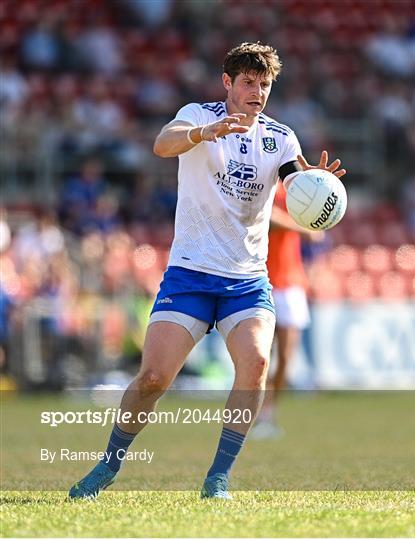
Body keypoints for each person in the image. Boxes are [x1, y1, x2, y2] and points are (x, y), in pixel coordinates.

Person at [69, 42, 345, 500]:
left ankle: (218, 477)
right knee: (154, 379)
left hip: (247, 280)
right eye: (249, 83)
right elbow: (163, 145)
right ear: (228, 83)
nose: (257, 93)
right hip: (191, 274)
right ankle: (108, 464)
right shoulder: (197, 114)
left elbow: (296, 179)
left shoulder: (280, 137)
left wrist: (316, 185)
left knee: (256, 365)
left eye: (265, 85)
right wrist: (205, 134)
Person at [252, 182, 324, 439]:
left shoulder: (295, 189)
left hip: (292, 283)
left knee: (285, 359)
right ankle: (257, 413)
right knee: (261, 358)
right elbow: (266, 216)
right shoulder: (261, 184)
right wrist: (304, 229)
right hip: (262, 279)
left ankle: (269, 413)